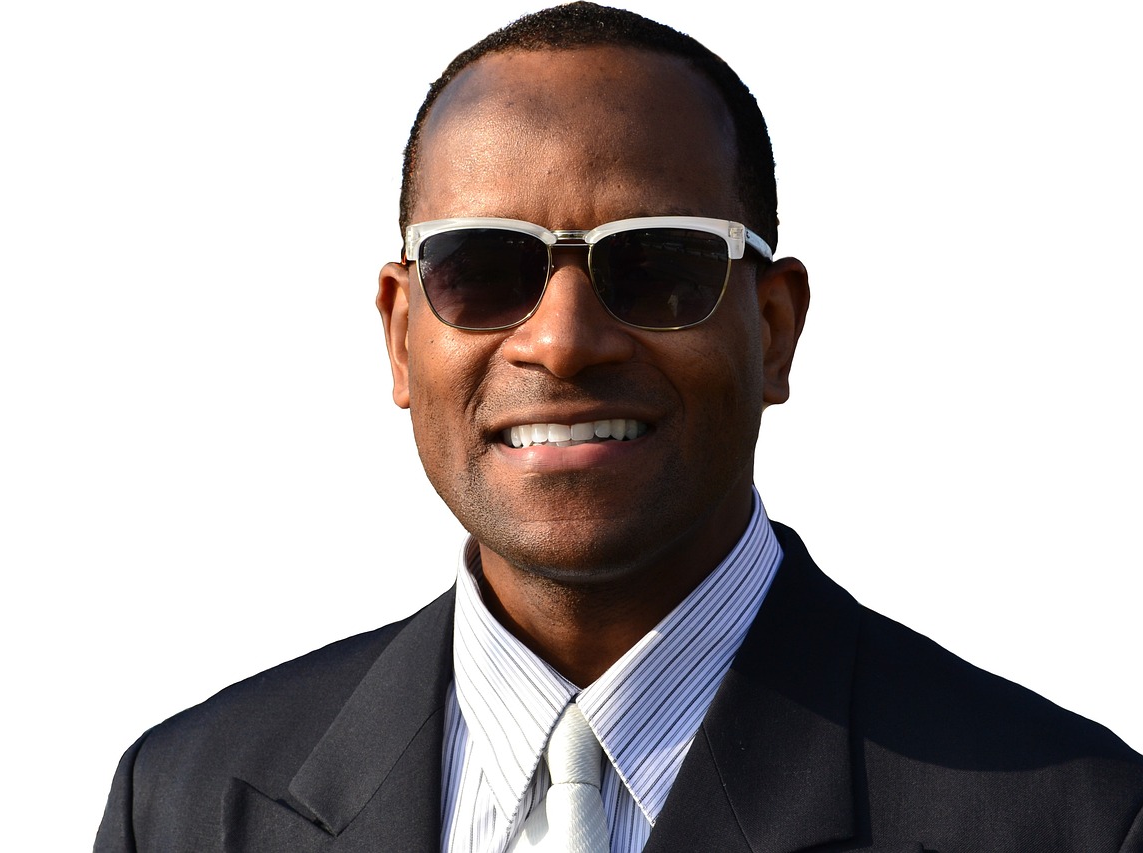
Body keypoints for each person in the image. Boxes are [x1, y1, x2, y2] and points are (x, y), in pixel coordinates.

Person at [94, 4, 1143, 851]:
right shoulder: (187, 804)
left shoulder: (1071, 819)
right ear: (401, 334)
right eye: (481, 268)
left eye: (655, 266)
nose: (561, 341)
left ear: (773, 330)